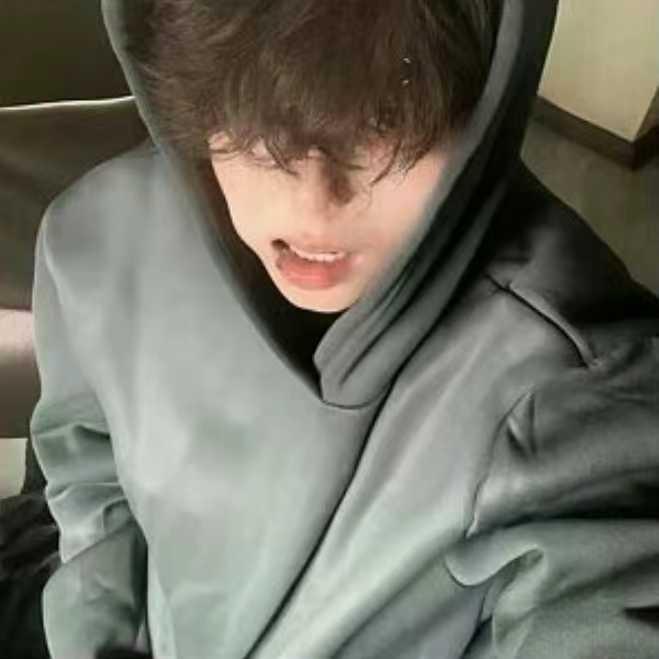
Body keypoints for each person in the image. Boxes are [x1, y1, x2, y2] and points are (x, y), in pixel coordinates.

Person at [28, 0, 659, 658]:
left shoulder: (577, 397)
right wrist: (99, 634)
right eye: (251, 114)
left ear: (492, 84)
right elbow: (87, 464)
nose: (313, 205)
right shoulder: (97, 235)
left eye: (392, 114)